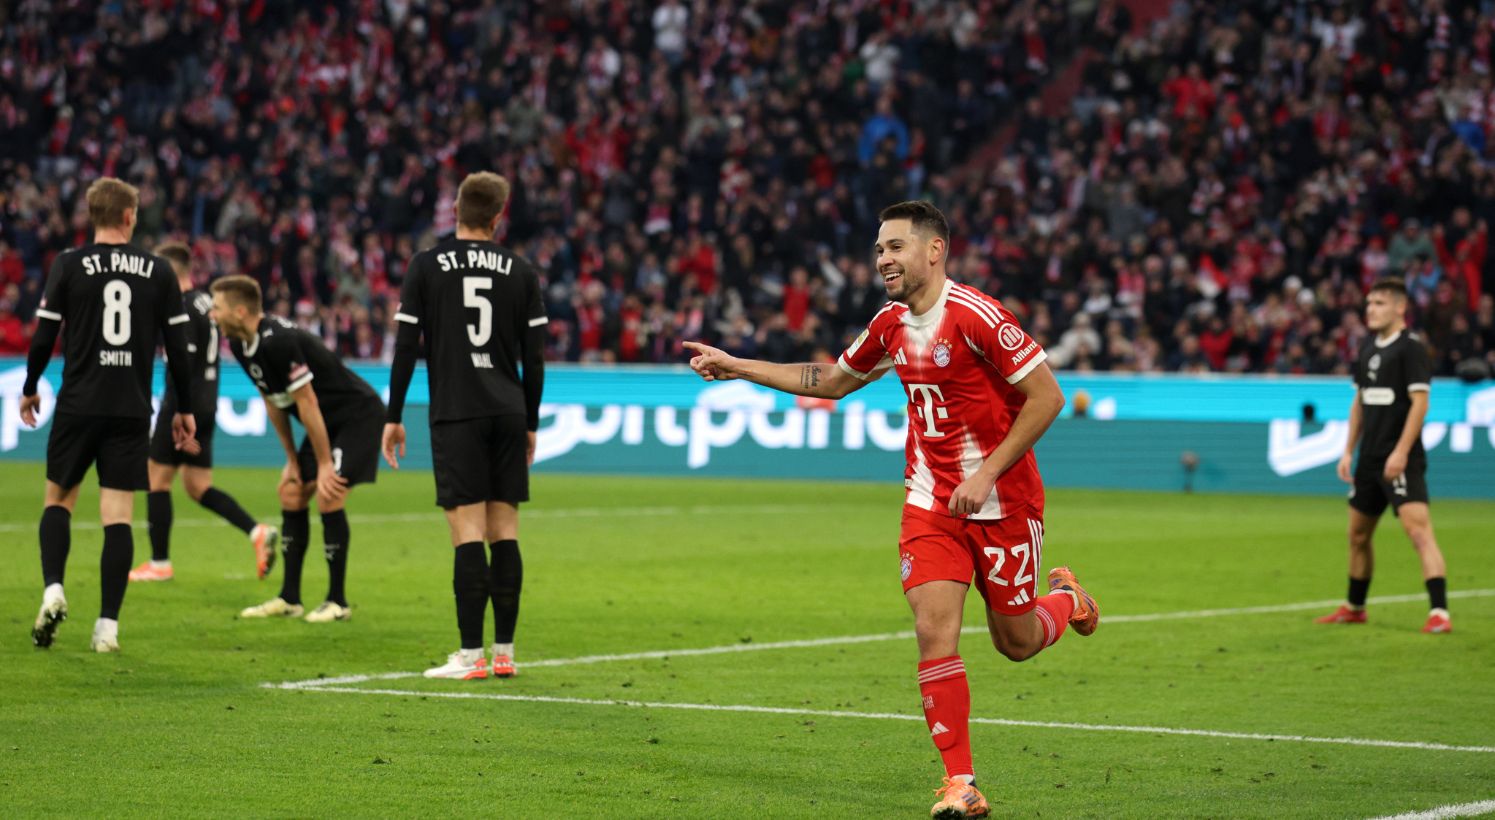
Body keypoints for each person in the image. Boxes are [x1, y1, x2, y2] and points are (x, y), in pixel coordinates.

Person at [685, 201, 1098, 819]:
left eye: (896, 247)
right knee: (934, 630)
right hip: (930, 503)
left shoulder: (978, 316)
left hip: (1004, 503)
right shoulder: (889, 324)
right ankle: (961, 783)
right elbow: (831, 380)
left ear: (935, 250)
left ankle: (1067, 600)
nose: (883, 259)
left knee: (1015, 642)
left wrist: (986, 473)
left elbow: (1048, 397)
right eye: (879, 249)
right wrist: (736, 365)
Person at [381, 172, 547, 680]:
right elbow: (534, 358)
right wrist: (530, 422)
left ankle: (470, 655)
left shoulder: (427, 265)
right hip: (508, 411)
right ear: (498, 217)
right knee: (506, 531)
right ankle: (505, 653)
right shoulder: (521, 270)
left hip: (458, 411)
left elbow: (406, 347)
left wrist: (393, 415)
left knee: (467, 532)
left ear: (455, 210)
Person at [20, 177, 198, 652]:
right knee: (117, 516)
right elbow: (179, 352)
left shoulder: (68, 264)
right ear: (128, 216)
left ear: (92, 215)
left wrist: (31, 386)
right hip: (130, 409)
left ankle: (53, 589)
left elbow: (44, 337)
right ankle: (107, 628)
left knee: (58, 501)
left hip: (78, 404)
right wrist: (184, 408)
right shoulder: (159, 270)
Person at [210, 275, 384, 623]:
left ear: (240, 311)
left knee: (329, 493)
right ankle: (290, 598)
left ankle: (337, 602)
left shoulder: (280, 341)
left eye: (217, 307)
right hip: (325, 421)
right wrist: (292, 459)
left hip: (357, 416)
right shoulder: (241, 344)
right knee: (291, 492)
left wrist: (324, 464)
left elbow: (307, 402)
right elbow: (273, 400)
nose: (212, 314)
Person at [129, 241, 279, 584]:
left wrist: (178, 409)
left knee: (156, 478)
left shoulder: (181, 306)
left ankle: (159, 563)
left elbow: (182, 362)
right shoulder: (207, 303)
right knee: (198, 486)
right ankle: (256, 532)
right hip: (208, 402)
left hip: (185, 406)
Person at [1317, 278, 1451, 633]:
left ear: (1399, 307)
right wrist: (1348, 450)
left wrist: (1401, 453)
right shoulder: (1366, 348)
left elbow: (1420, 404)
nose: (1371, 310)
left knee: (1418, 532)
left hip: (1401, 459)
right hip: (1369, 459)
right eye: (1369, 303)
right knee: (1358, 535)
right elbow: (1359, 403)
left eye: (1379, 303)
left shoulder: (1411, 349)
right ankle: (1355, 607)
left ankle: (1439, 612)